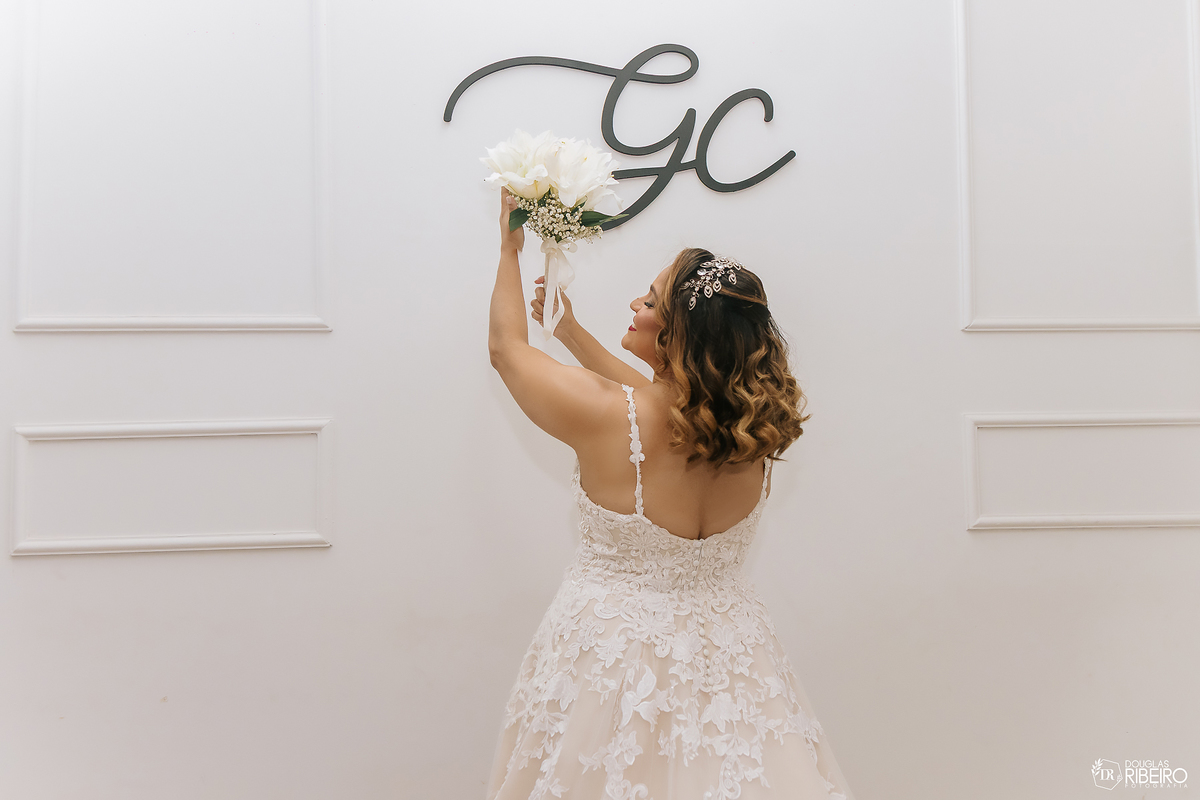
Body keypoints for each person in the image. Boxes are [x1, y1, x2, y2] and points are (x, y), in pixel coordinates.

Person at [485, 188, 854, 800]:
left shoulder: (612, 418)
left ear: (679, 334)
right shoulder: (746, 433)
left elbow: (507, 351)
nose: (635, 304)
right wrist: (571, 332)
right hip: (729, 653)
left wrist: (509, 247)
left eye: (651, 300)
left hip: (612, 658)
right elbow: (653, 399)